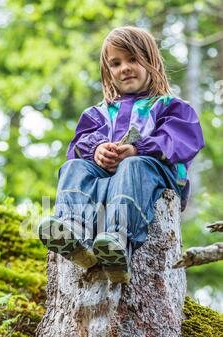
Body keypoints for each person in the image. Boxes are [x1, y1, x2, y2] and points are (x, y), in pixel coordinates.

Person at [38, 25, 205, 283]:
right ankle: (73, 230)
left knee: (133, 165)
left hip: (154, 179)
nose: (124, 68)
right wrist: (97, 150)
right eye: (115, 63)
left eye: (133, 59)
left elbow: (183, 140)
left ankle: (118, 240)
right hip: (107, 181)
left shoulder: (171, 107)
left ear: (151, 62)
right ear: (108, 72)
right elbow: (78, 144)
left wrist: (139, 149)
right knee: (72, 168)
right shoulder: (98, 113)